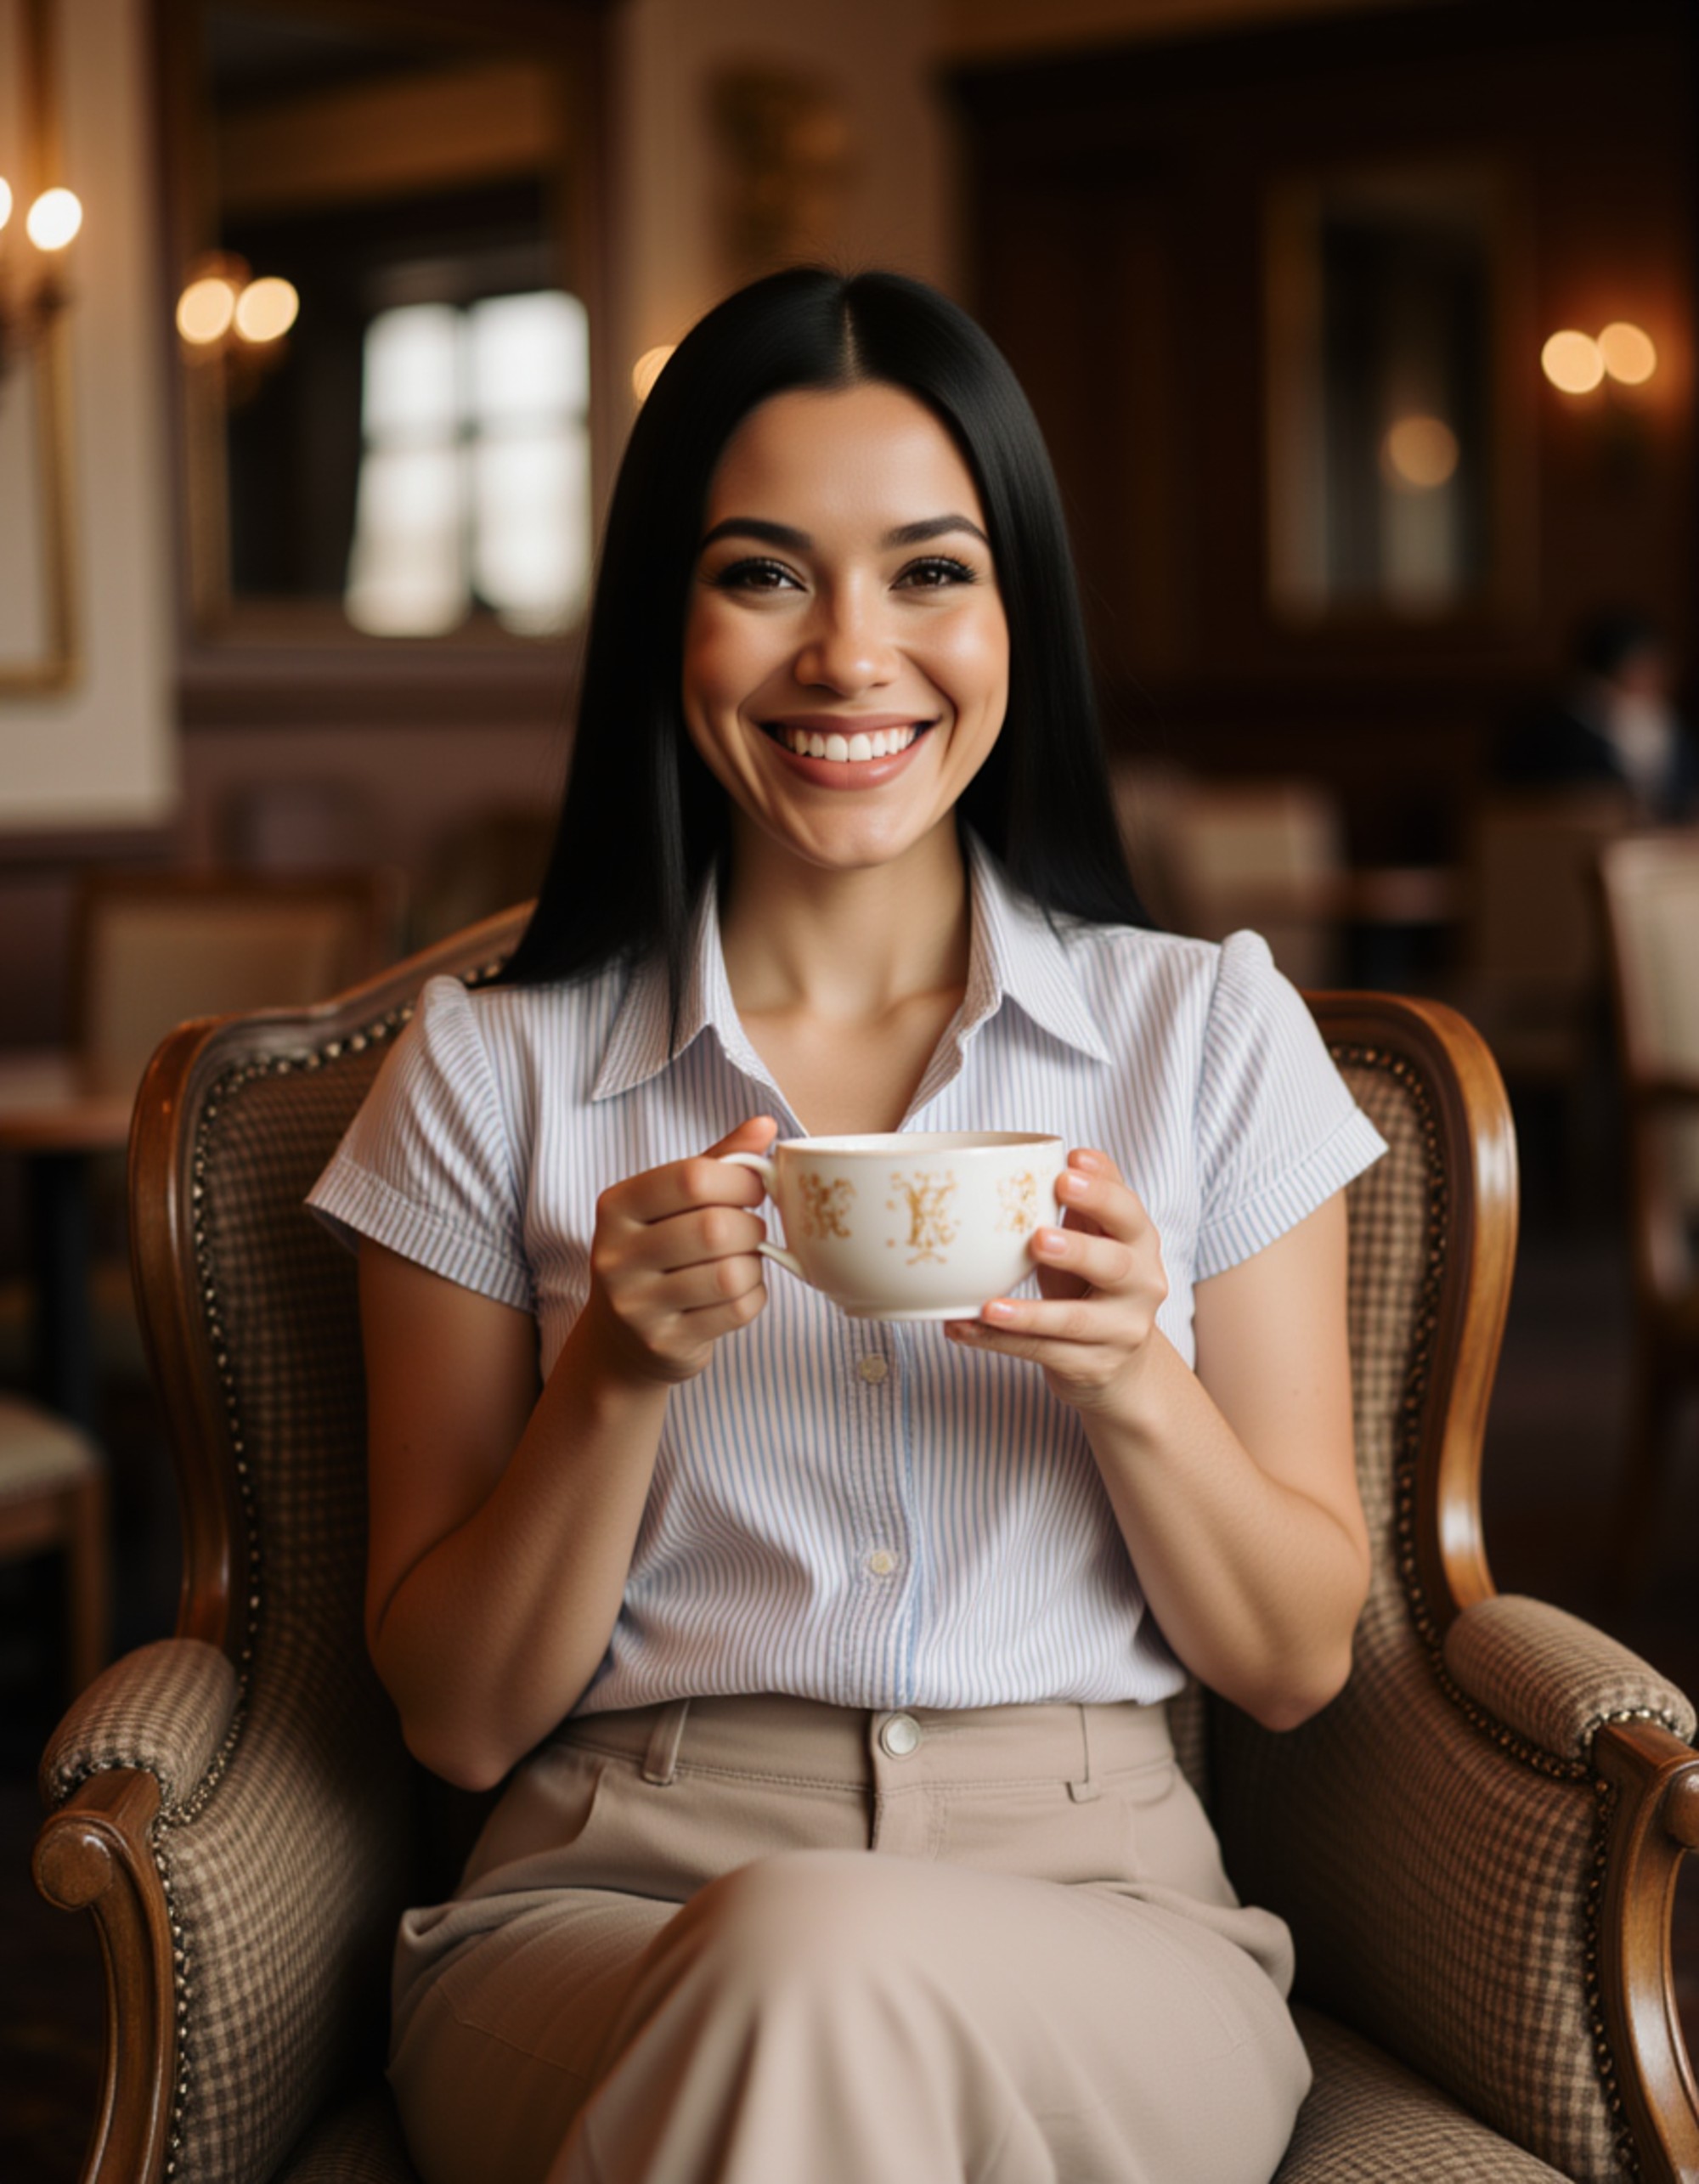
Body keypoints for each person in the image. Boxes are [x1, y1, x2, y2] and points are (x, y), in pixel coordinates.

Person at [308, 266, 1386, 2184]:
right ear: (665, 617)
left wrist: (1132, 1376)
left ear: (1013, 613)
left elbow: (1294, 1658)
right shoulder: (485, 1075)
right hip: (595, 1913)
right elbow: (460, 1724)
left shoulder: (1203, 1032)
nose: (847, 656)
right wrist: (610, 1383)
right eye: (760, 573)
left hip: (1101, 1914)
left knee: (817, 1959)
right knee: (791, 1960)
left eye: (926, 571)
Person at [1493, 609, 1696, 823]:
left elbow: (1684, 791)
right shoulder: (1549, 735)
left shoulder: (1668, 726)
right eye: (1641, 666)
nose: (1657, 679)